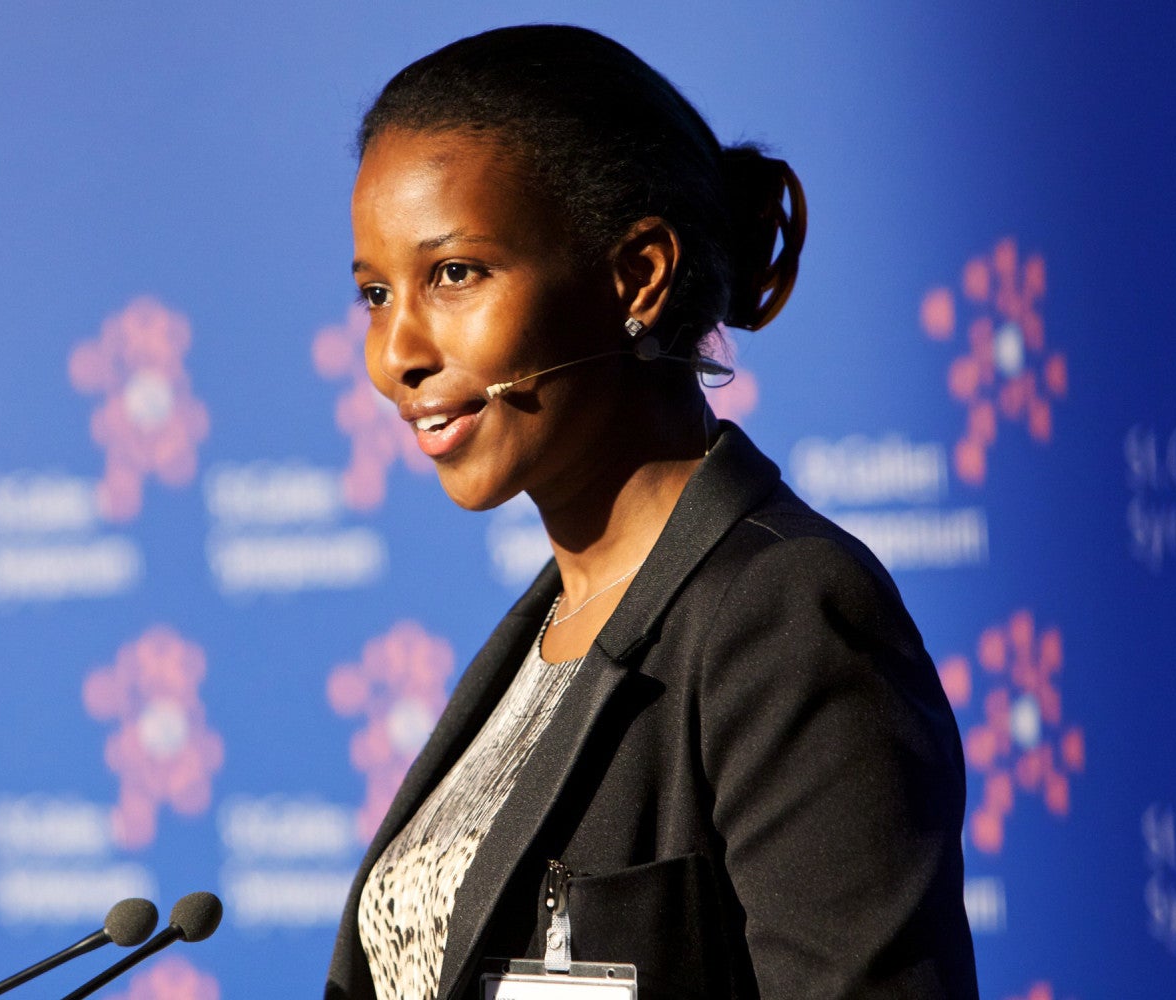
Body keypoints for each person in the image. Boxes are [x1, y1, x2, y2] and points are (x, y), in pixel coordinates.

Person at [327, 25, 977, 1000]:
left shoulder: (782, 614)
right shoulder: (546, 628)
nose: (394, 355)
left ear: (636, 276)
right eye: (375, 294)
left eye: (453, 273)